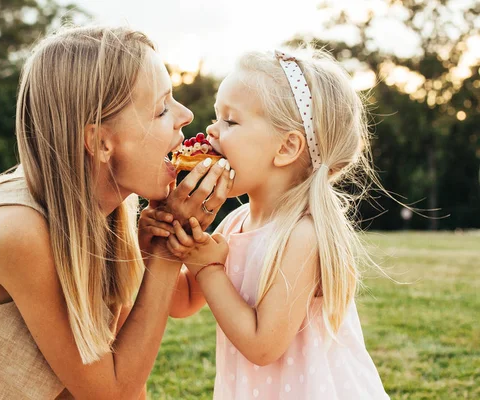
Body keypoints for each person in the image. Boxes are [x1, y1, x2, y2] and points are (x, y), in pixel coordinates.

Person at [0, 25, 233, 399]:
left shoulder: (110, 206)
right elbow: (112, 394)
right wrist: (162, 255)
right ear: (100, 143)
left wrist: (154, 244)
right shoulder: (19, 229)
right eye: (161, 108)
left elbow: (118, 358)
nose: (186, 114)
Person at [152, 48, 390, 399]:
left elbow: (263, 346)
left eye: (230, 121)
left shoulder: (302, 234)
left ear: (286, 147)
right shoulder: (236, 223)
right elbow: (183, 302)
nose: (211, 131)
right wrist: (163, 243)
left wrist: (208, 268)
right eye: (217, 117)